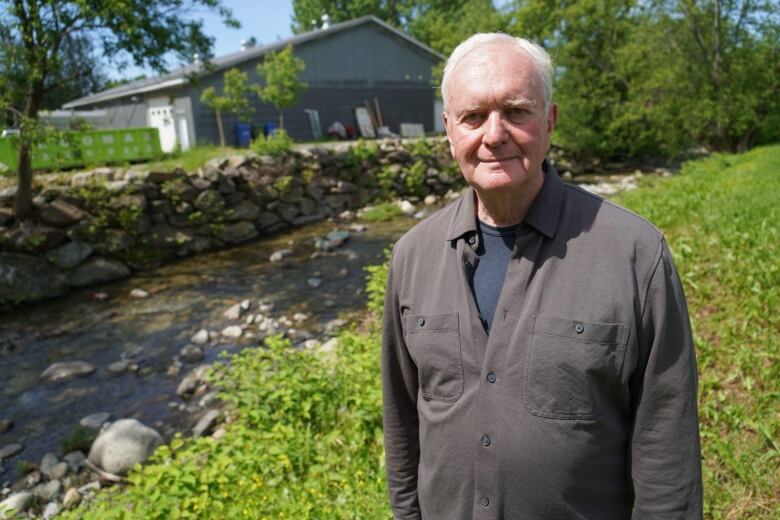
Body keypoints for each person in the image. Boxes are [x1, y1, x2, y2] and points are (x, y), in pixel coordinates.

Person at [381, 33, 703, 519]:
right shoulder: (412, 256)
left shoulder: (635, 255)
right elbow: (402, 424)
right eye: (473, 117)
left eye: (515, 111)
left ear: (549, 121)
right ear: (449, 132)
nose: (494, 135)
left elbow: (666, 446)